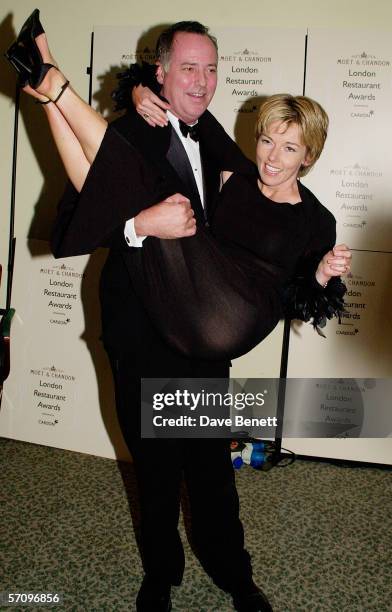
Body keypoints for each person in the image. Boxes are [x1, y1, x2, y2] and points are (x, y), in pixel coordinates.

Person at [5, 11, 351, 612]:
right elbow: (69, 229)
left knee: (212, 471)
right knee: (157, 471)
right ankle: (161, 574)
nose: (202, 80)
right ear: (161, 72)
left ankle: (233, 573)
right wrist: (140, 225)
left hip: (208, 327)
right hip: (145, 330)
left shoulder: (227, 154)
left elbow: (296, 281)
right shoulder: (135, 132)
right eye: (187, 68)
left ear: (308, 154)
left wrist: (318, 274)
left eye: (211, 69)